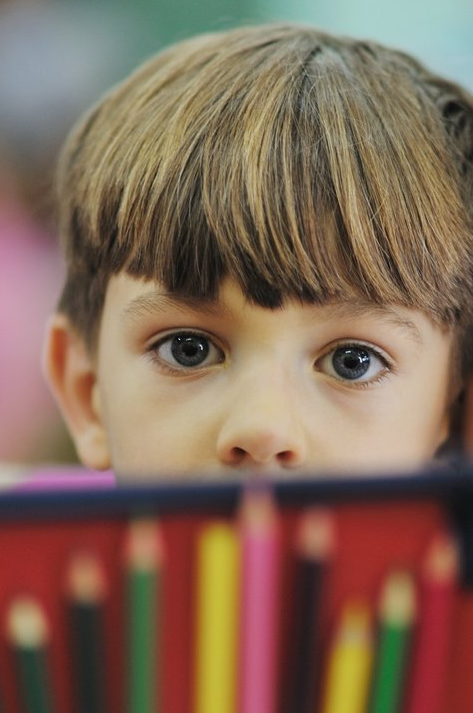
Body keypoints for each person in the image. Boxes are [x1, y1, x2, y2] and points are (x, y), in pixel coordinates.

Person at [43, 23, 473, 478]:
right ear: (87, 393)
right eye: (187, 349)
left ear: (458, 409)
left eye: (352, 362)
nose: (263, 428)